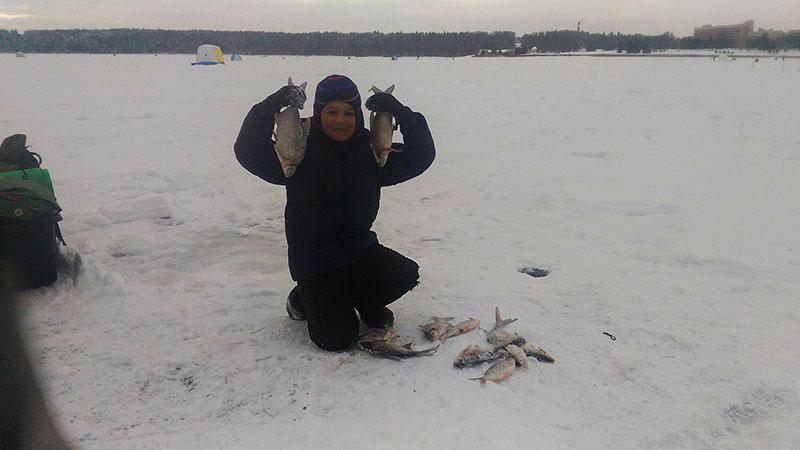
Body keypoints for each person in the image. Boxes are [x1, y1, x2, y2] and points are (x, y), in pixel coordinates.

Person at [234, 74, 435, 351]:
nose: (340, 120)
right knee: (336, 338)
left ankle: (360, 299)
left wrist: (402, 115)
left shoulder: (373, 151)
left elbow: (420, 156)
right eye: (332, 112)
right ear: (318, 113)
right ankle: (302, 297)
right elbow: (248, 152)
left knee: (404, 275)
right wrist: (270, 107)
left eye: (348, 113)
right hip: (315, 262)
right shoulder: (296, 151)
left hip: (358, 250)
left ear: (358, 117)